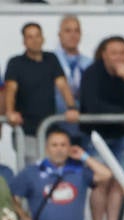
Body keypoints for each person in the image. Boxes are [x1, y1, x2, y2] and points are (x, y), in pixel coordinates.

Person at [10, 126, 108, 220]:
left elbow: (106, 175)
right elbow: (10, 195)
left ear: (69, 147)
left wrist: (84, 156)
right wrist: (23, 216)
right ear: (46, 148)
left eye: (63, 145)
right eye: (54, 145)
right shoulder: (32, 172)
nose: (59, 149)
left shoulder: (79, 170)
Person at [79, 36, 124, 220]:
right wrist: (121, 113)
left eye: (122, 52)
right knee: (100, 181)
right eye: (114, 53)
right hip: (95, 136)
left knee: (118, 182)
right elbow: (92, 105)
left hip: (121, 136)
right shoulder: (91, 73)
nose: (119, 57)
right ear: (104, 54)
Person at [5, 23, 79, 162]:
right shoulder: (15, 63)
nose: (34, 40)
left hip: (49, 129)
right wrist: (10, 112)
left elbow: (62, 85)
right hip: (25, 129)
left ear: (43, 38)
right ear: (24, 41)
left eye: (37, 36)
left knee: (52, 170)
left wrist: (72, 108)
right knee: (32, 169)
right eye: (30, 37)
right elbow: (10, 89)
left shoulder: (51, 59)